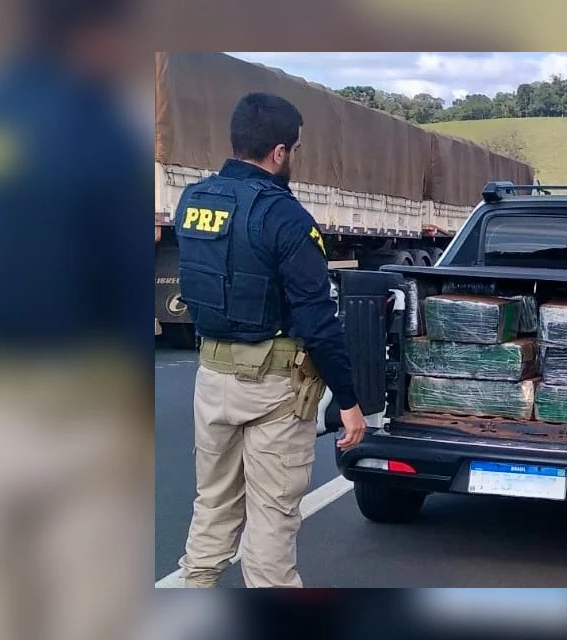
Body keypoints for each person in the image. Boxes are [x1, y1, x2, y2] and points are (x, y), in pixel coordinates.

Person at [175, 93, 367, 588]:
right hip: (275, 389)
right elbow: (319, 320)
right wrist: (348, 401)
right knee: (271, 524)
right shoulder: (286, 217)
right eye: (295, 149)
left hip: (211, 378)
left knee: (212, 506)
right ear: (279, 152)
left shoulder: (193, 200)